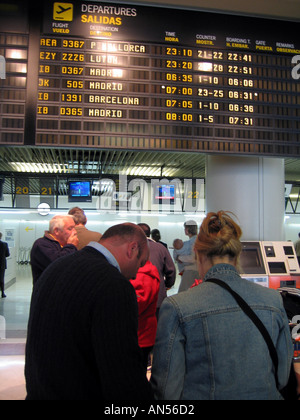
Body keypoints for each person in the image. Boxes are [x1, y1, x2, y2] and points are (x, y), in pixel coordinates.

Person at [151, 211, 293, 400]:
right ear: (238, 255)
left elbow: (167, 389)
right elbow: (283, 377)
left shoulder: (178, 306)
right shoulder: (273, 300)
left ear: (198, 254)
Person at [25, 223, 153, 400]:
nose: (135, 274)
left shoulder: (56, 267)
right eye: (141, 263)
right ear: (132, 249)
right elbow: (122, 372)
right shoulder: (114, 285)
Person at [138, 223, 176, 316]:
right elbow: (171, 270)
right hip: (158, 296)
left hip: (137, 298)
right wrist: (167, 285)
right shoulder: (161, 247)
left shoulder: (132, 248)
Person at [30, 215, 79, 285]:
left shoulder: (65, 245)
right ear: (56, 231)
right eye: (70, 229)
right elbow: (60, 265)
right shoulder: (41, 244)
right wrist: (71, 246)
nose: (75, 232)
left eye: (74, 228)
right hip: (48, 293)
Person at [130, 261, 160, 371]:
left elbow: (136, 305)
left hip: (140, 335)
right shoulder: (145, 272)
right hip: (142, 334)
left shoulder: (143, 275)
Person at [177, 220, 199, 293]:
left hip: (191, 272)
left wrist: (180, 258)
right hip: (199, 271)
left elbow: (193, 258)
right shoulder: (199, 240)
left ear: (187, 230)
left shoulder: (192, 242)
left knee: (183, 294)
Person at [0, 233, 10, 298]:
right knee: (1, 278)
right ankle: (2, 293)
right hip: (1, 264)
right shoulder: (4, 244)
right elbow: (7, 254)